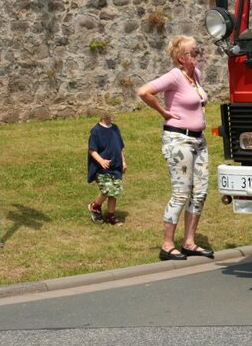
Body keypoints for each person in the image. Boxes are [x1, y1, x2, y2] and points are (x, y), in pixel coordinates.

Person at [137, 36, 214, 262]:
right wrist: (164, 112)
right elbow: (144, 92)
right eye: (193, 52)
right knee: (181, 192)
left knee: (200, 192)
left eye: (198, 50)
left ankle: (189, 242)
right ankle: (167, 245)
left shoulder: (195, 75)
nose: (198, 54)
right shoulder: (174, 76)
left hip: (198, 141)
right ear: (181, 58)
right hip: (178, 140)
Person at [87, 111, 127, 225]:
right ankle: (95, 207)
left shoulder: (115, 128)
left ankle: (110, 216)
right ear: (103, 116)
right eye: (110, 115)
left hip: (116, 166)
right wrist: (101, 161)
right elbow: (92, 150)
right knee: (107, 189)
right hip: (102, 168)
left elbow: (119, 147)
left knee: (115, 192)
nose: (112, 117)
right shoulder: (96, 131)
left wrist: (123, 161)